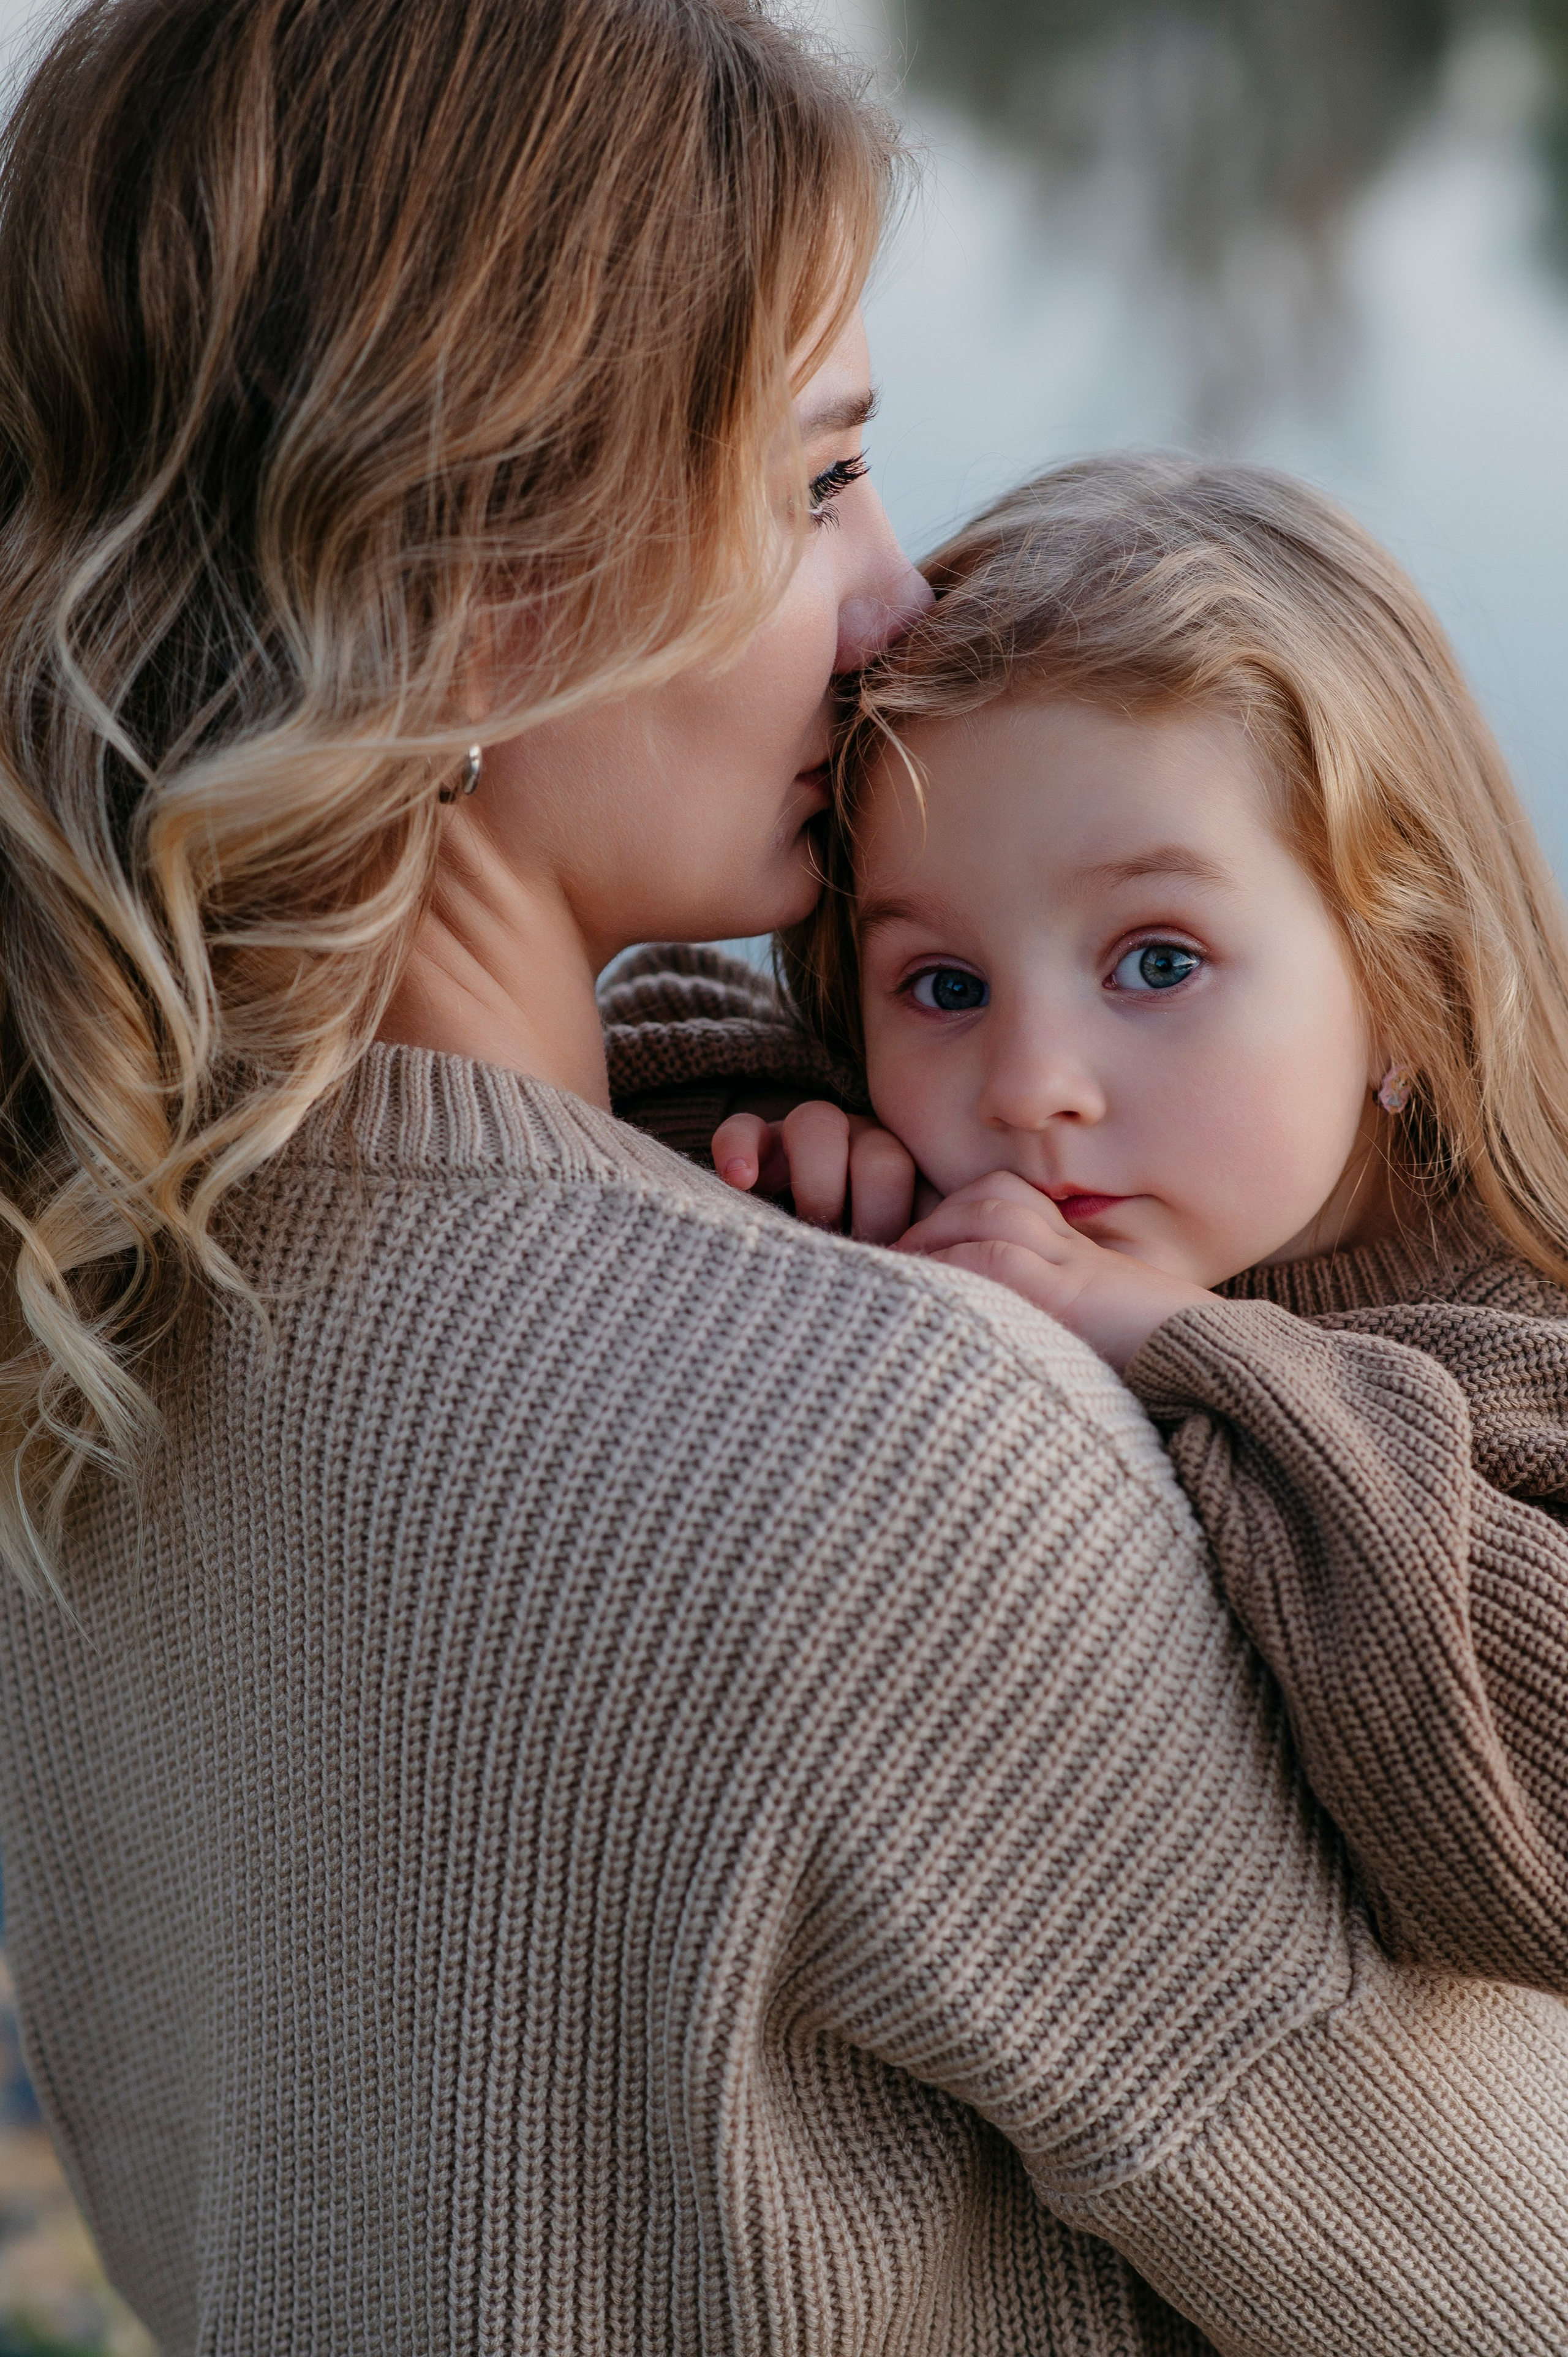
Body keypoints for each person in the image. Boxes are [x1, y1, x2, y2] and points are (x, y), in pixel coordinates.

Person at [0, 8, 1564, 2355]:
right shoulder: (897, 1457)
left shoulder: (89, 1291)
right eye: (823, 475)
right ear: (480, 554)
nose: (899, 596)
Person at [704, 453, 1568, 1993]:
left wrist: (1187, 1347)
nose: (1031, 1085)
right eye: (943, 986)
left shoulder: (1528, 1333)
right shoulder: (950, 1183)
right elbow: (633, 1067)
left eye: (1155, 963)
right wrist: (796, 1169)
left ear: (1402, 981)